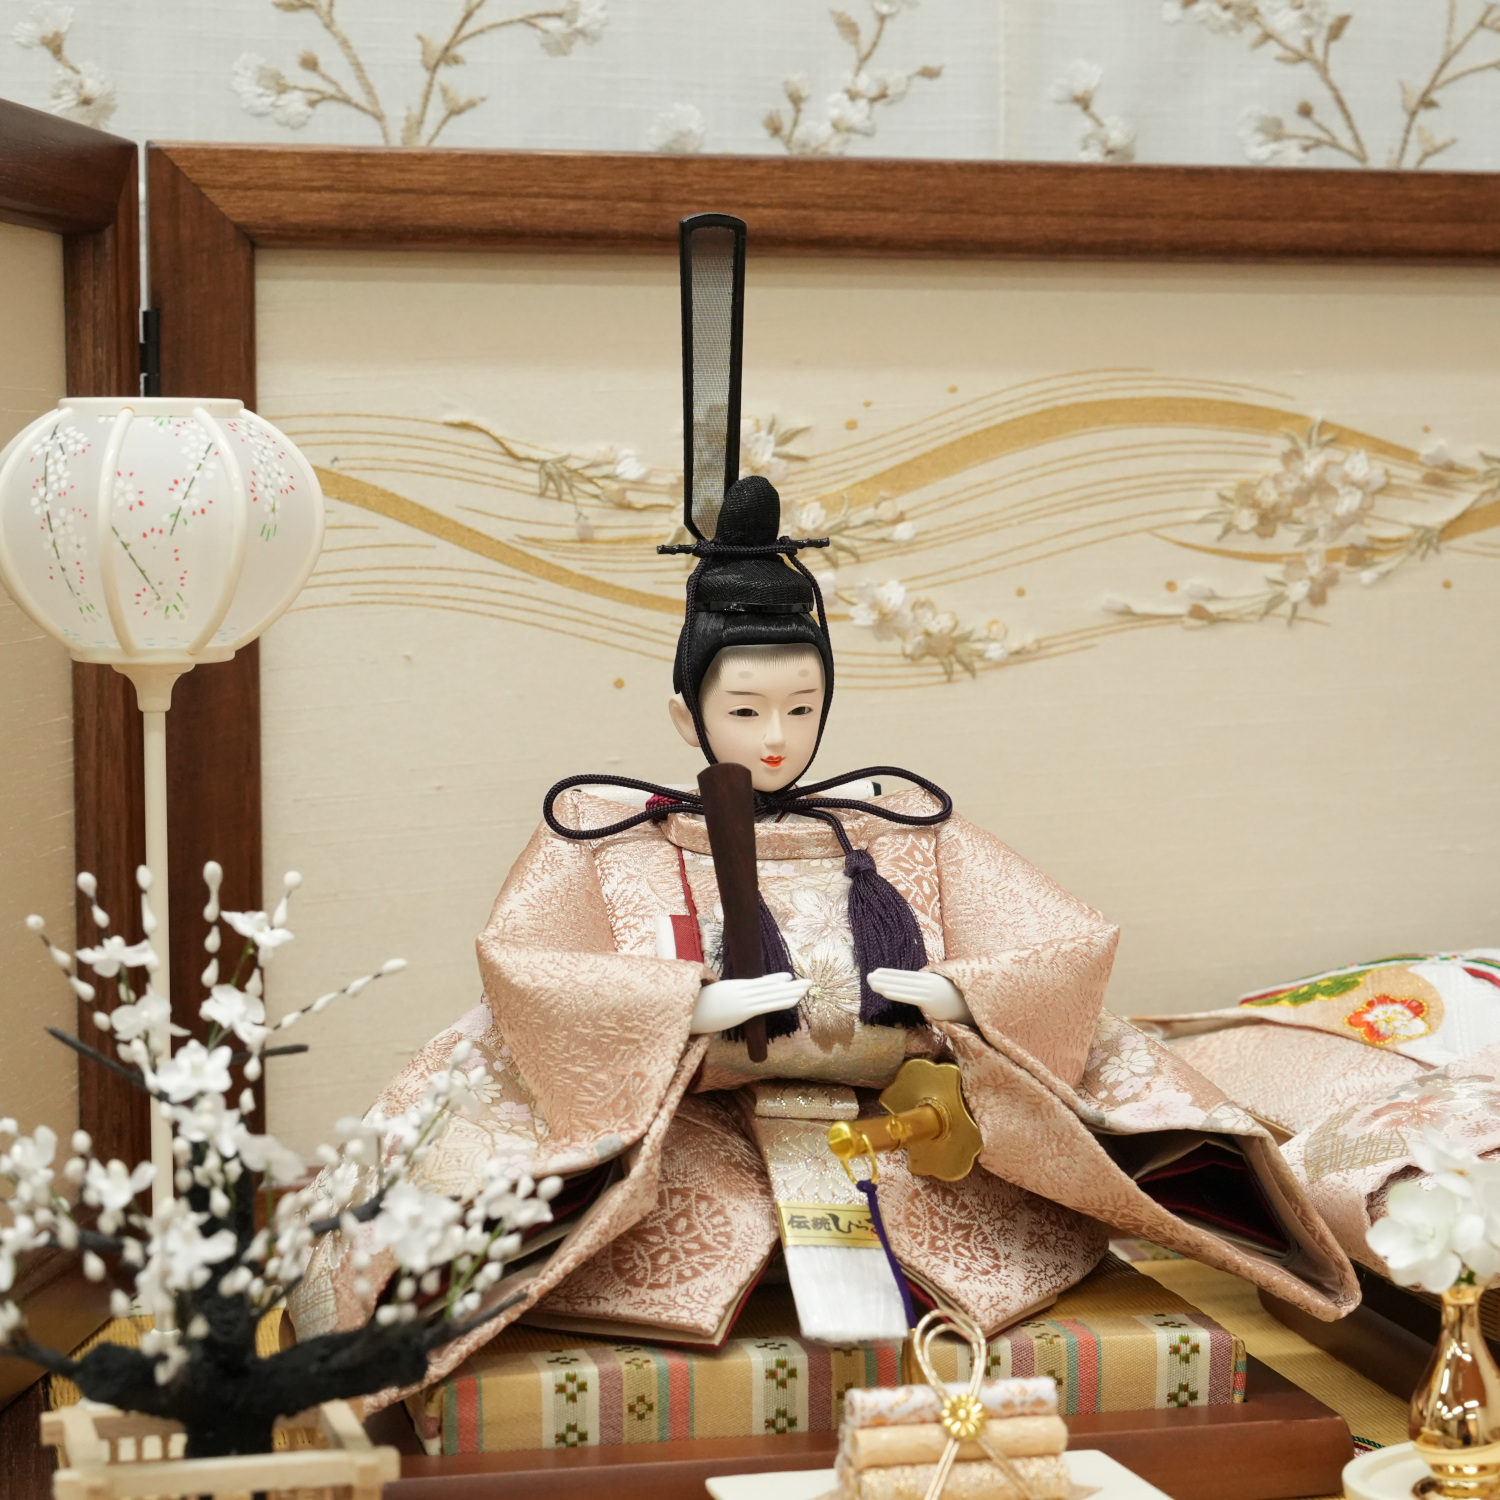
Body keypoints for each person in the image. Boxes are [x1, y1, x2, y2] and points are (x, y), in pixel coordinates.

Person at [288, 475, 1356, 1407]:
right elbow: (528, 968)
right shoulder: (613, 840)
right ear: (686, 715)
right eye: (746, 710)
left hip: (901, 1132)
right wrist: (680, 1010)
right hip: (688, 1139)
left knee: (1017, 1173)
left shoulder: (899, 827)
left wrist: (961, 996)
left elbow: (1062, 943)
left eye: (801, 709)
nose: (777, 737)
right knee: (539, 1184)